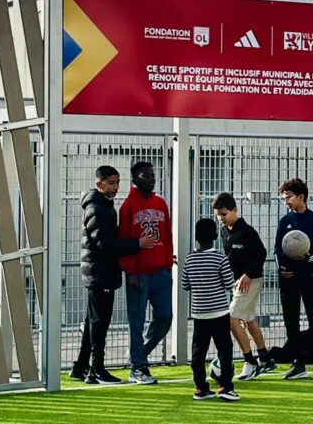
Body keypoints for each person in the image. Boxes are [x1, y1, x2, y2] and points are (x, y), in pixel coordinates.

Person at [71, 165, 156, 384]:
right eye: (110, 183)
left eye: (117, 182)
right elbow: (105, 244)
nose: (115, 187)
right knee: (100, 321)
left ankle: (81, 367)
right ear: (99, 184)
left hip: (100, 271)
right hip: (100, 272)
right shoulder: (97, 208)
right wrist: (138, 243)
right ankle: (96, 370)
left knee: (93, 320)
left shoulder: (103, 205)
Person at [274, 178, 313, 383]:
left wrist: (308, 258)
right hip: (288, 279)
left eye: (289, 197)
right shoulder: (285, 221)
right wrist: (282, 268)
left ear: (301, 197)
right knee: (290, 320)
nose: (287, 201)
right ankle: (297, 363)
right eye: (284, 198)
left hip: (308, 277)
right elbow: (277, 249)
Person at [119, 161, 174, 385]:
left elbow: (167, 235)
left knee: (165, 316)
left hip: (161, 271)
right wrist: (130, 271)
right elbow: (124, 240)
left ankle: (139, 354)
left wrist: (168, 263)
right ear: (134, 179)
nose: (151, 179)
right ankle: (138, 366)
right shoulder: (128, 206)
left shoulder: (161, 203)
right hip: (139, 274)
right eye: (146, 175)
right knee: (137, 320)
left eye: (153, 175)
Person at [212, 192, 276, 380]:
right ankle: (265, 358)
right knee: (248, 320)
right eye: (217, 215)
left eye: (224, 214)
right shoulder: (224, 231)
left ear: (235, 211)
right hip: (236, 283)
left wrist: (248, 275)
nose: (220, 218)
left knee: (231, 319)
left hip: (251, 281)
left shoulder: (247, 231)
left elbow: (261, 254)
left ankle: (250, 362)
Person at [181, 218, 240, 401]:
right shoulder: (220, 257)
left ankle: (200, 388)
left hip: (199, 313)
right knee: (224, 350)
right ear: (215, 236)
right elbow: (229, 282)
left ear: (196, 237)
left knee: (198, 352)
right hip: (219, 312)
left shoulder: (190, 258)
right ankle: (226, 387)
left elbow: (185, 285)